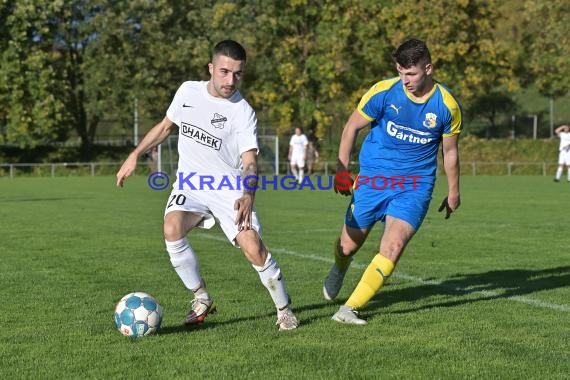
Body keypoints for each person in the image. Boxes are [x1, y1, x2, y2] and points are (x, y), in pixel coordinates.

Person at [116, 40, 298, 331]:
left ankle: (284, 310)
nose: (230, 80)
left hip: (229, 190)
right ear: (211, 68)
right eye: (224, 72)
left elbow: (250, 162)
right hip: (190, 184)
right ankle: (201, 298)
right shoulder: (188, 91)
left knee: (253, 248)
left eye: (237, 74)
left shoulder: (242, 111)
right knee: (171, 228)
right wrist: (134, 155)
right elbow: (165, 126)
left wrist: (248, 195)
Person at [323, 37, 462, 325]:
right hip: (373, 180)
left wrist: (453, 192)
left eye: (411, 74)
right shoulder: (383, 92)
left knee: (393, 246)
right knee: (348, 246)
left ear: (428, 68)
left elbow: (450, 152)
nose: (405, 80)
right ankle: (339, 267)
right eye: (400, 72)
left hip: (415, 186)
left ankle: (348, 309)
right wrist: (342, 170)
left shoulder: (447, 106)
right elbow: (351, 128)